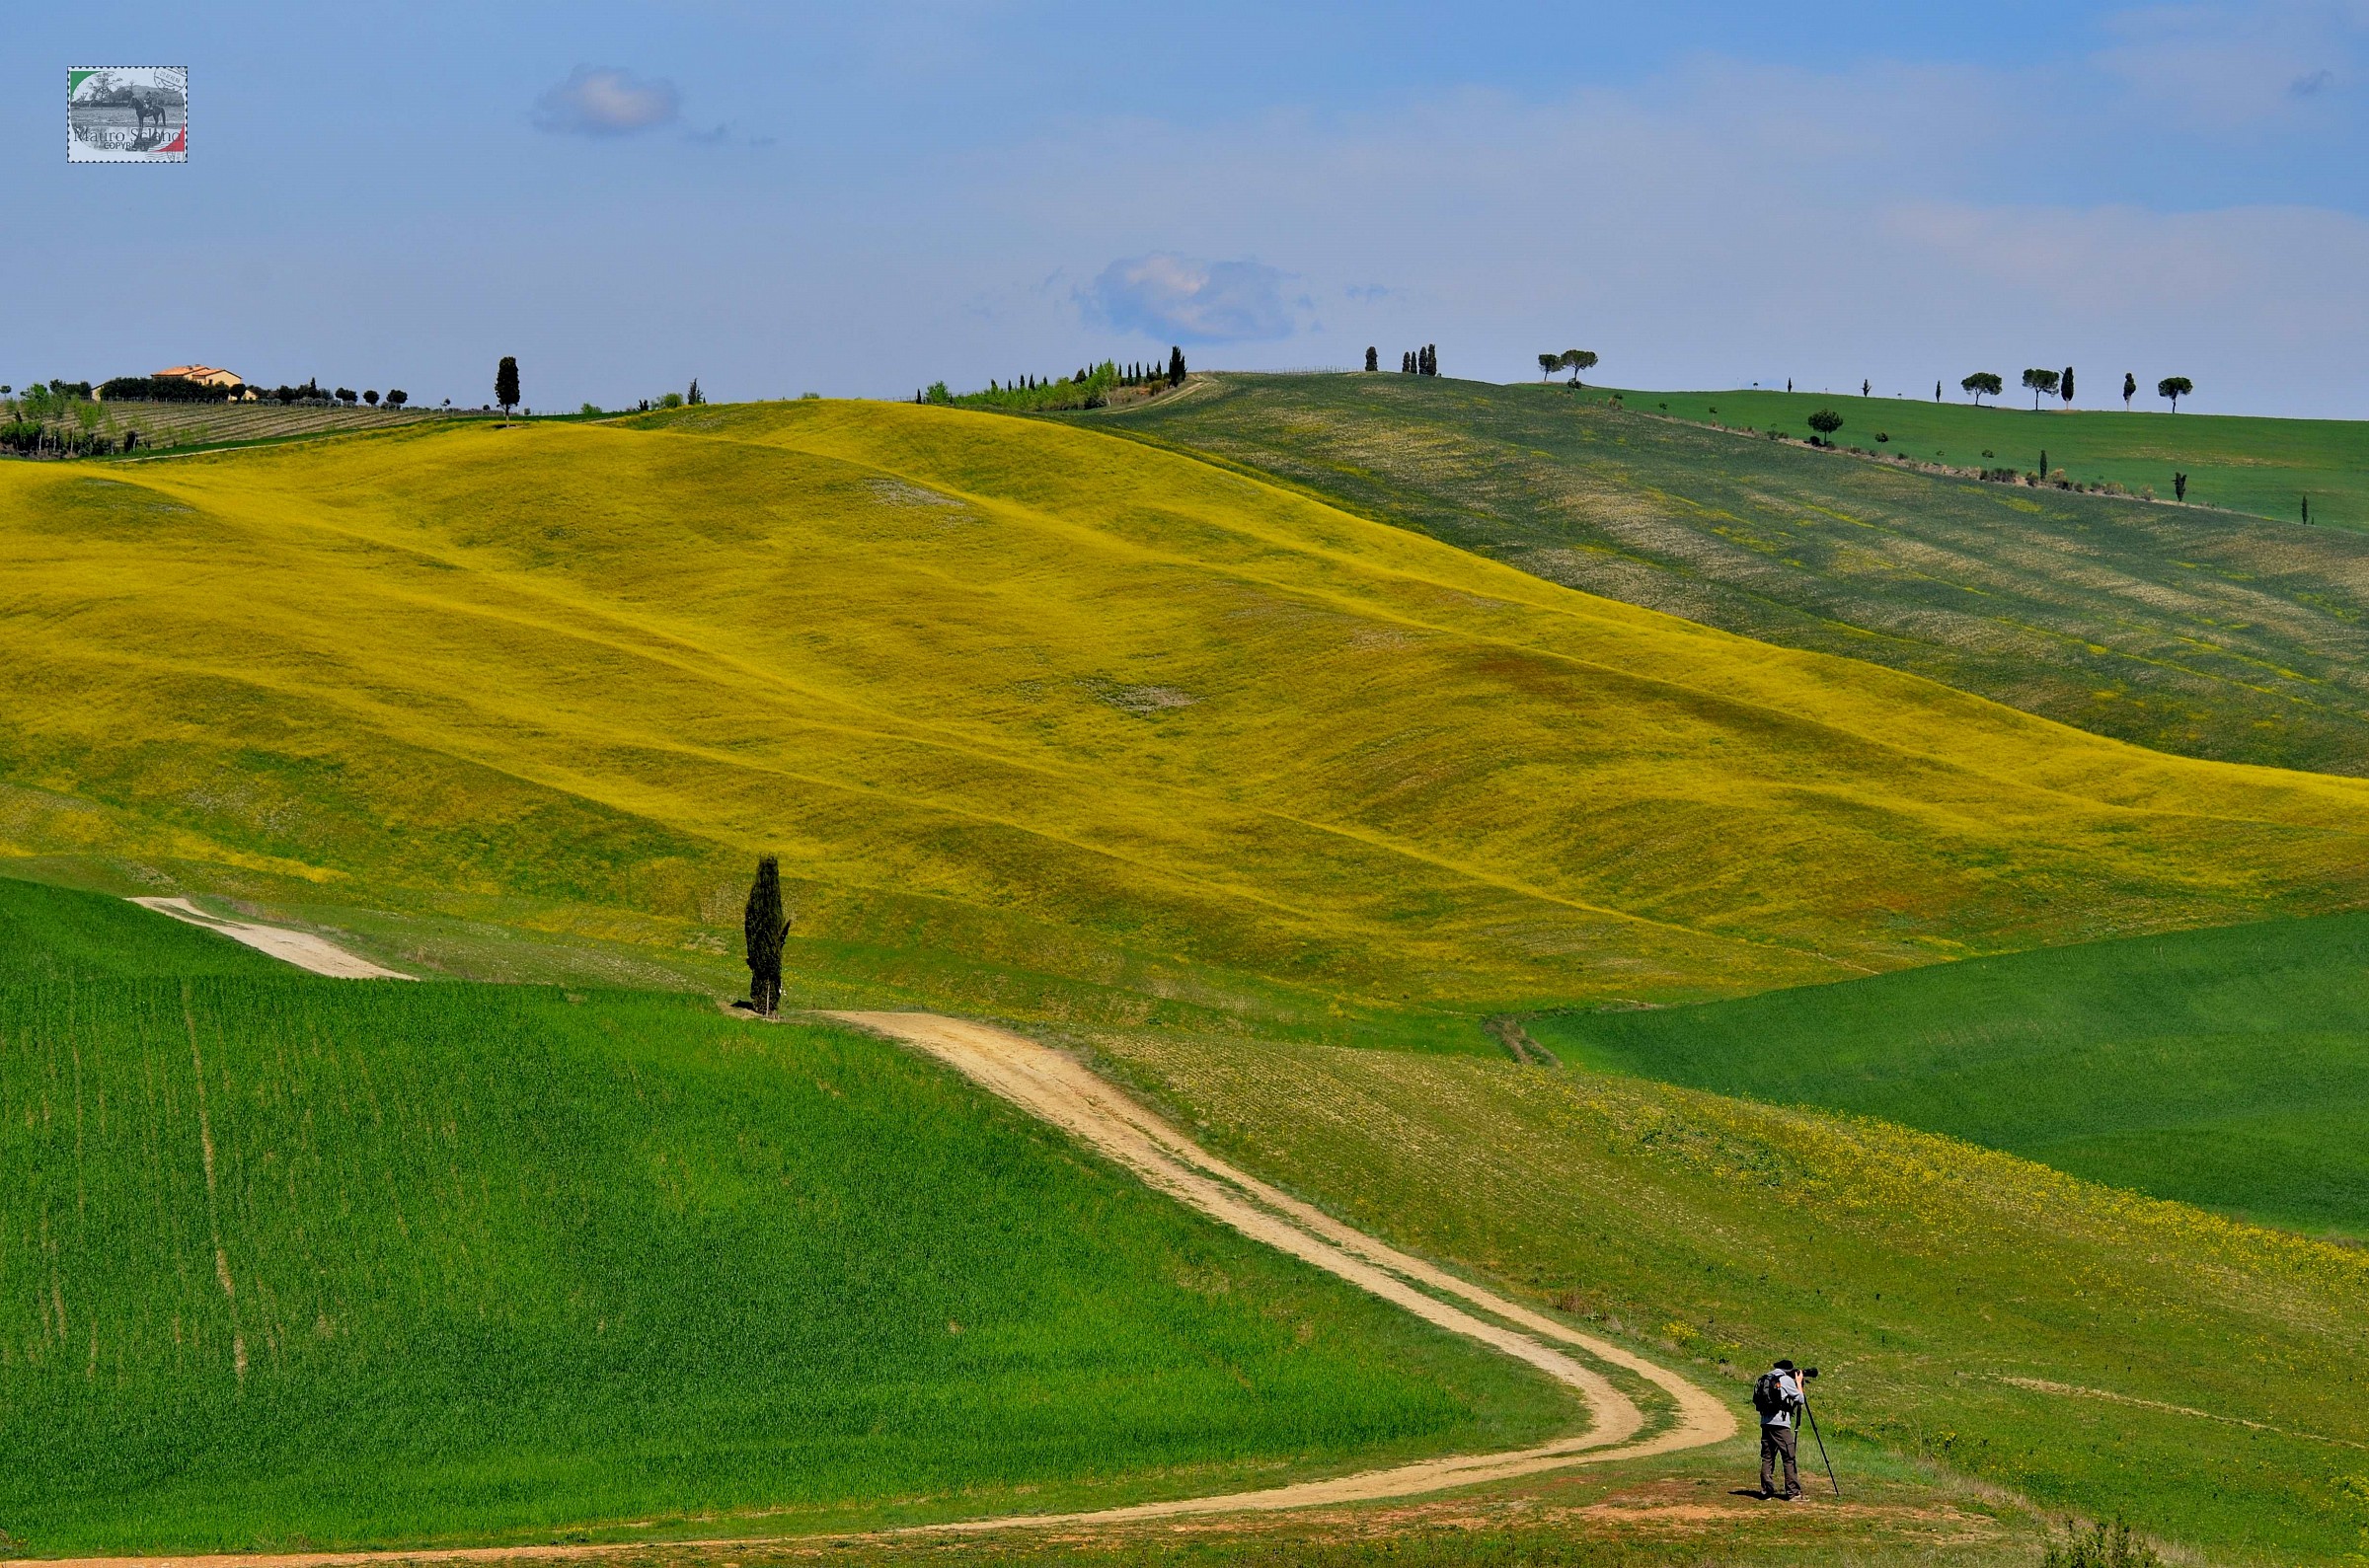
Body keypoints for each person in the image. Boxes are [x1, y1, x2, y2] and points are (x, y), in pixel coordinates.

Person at [1754, 1359, 1807, 1500]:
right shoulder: (1786, 1380)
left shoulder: (1765, 1378)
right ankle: (1793, 1492)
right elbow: (1800, 1398)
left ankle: (1766, 1491)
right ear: (1789, 1370)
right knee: (1789, 1457)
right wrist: (1798, 1383)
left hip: (1765, 1422)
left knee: (1767, 1457)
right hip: (1780, 1424)